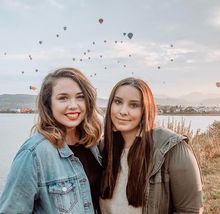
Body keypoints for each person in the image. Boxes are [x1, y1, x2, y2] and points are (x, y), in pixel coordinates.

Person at [0, 67, 102, 214]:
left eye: (80, 97)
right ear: (49, 104)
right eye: (63, 98)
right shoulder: (34, 153)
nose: (73, 105)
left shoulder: (93, 145)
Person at [99, 77, 203, 214]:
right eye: (118, 102)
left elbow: (190, 211)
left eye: (134, 105)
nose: (123, 111)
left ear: (146, 110)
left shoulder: (172, 148)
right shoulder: (102, 149)